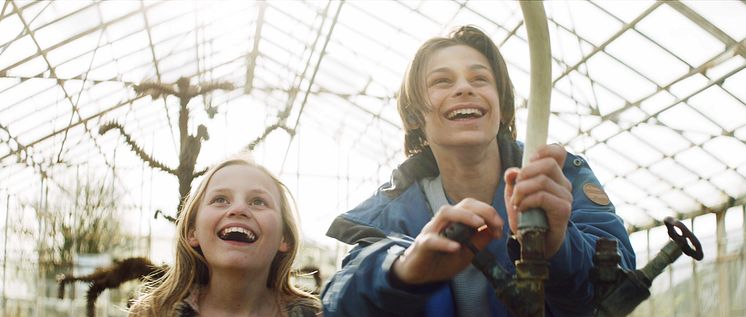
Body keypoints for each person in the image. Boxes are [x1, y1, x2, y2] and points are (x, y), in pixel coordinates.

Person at [321, 25, 635, 316]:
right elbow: (338, 301)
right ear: (415, 116)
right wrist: (401, 269)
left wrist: (557, 245)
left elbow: (620, 283)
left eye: (480, 79)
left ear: (502, 108)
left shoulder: (559, 177)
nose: (464, 88)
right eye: (442, 81)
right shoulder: (391, 213)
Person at [129, 153, 321, 316]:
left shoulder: (317, 314)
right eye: (220, 199)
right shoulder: (153, 312)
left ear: (284, 238)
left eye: (258, 201)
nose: (239, 208)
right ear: (192, 233)